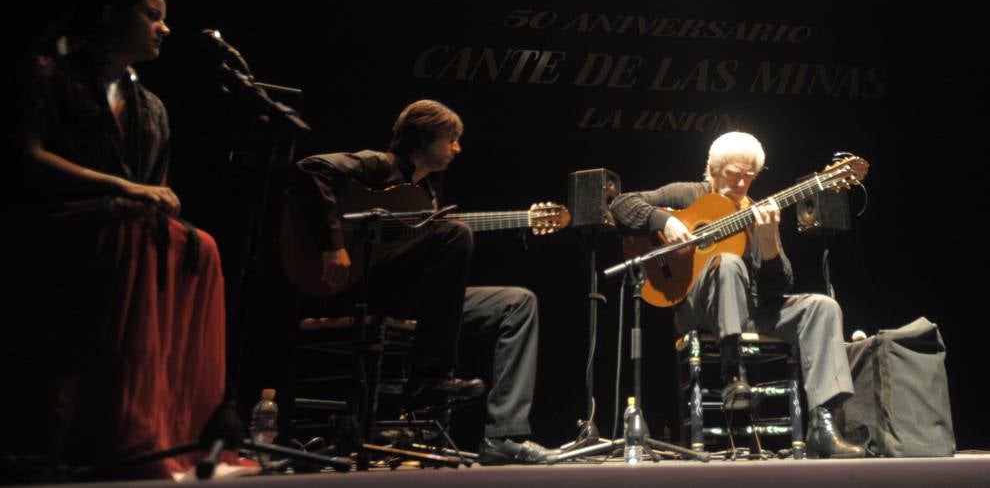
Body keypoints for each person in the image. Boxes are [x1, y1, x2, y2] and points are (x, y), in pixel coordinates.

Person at [7, 0, 228, 478]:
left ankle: (172, 427)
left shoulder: (151, 107)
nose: (165, 28)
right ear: (110, 15)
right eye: (153, 15)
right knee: (129, 230)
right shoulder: (48, 75)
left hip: (119, 221)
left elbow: (157, 193)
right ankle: (111, 428)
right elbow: (28, 159)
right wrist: (125, 190)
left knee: (204, 249)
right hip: (50, 218)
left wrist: (145, 201)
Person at [293, 100, 549, 465]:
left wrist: (522, 220)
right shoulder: (378, 166)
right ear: (425, 137)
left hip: (417, 301)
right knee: (455, 232)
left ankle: (503, 437)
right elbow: (310, 167)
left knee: (518, 303)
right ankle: (429, 379)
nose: (458, 149)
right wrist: (332, 246)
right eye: (452, 139)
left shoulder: (428, 193)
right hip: (360, 289)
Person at [608, 131, 864, 458]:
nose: (741, 183)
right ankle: (732, 372)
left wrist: (769, 243)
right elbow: (621, 204)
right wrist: (666, 220)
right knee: (727, 262)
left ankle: (822, 424)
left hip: (751, 311)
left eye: (749, 177)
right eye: (733, 175)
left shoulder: (755, 211)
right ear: (713, 170)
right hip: (697, 308)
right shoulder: (688, 194)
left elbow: (778, 286)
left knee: (822, 307)